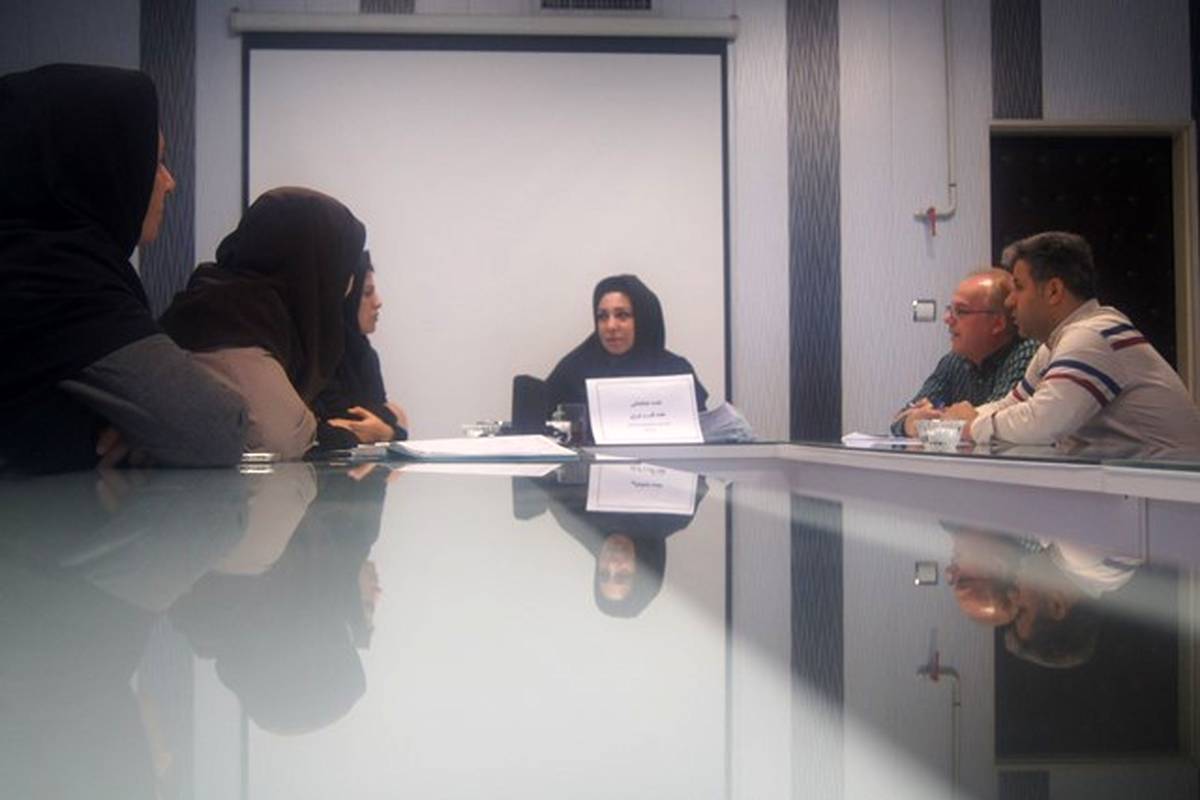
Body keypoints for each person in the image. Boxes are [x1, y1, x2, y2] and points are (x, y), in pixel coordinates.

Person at [0, 63, 247, 472]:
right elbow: (219, 427)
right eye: (155, 162)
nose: (169, 182)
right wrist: (117, 430)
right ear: (98, 167)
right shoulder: (56, 281)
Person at [940, 232, 1200, 449]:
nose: (1009, 302)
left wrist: (972, 425)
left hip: (1172, 491)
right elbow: (1013, 405)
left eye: (1018, 287)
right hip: (1136, 488)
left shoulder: (1092, 336)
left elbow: (1043, 423)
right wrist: (950, 421)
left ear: (1053, 291)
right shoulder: (1056, 343)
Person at [160, 187, 366, 460]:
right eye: (343, 267)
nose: (349, 283)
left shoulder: (228, 310)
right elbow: (277, 438)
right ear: (315, 269)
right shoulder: (237, 329)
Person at [893, 269, 1037, 437]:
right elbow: (901, 418)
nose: (948, 319)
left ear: (998, 323)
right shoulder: (953, 361)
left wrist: (938, 419)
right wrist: (910, 422)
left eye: (961, 311)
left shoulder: (1026, 353)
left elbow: (994, 422)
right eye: (950, 310)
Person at [545, 274, 708, 416]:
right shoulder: (573, 372)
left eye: (622, 315)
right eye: (602, 316)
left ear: (643, 320)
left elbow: (702, 431)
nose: (610, 326)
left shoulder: (675, 371)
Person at [313, 250, 409, 450]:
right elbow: (334, 427)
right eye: (367, 293)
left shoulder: (366, 355)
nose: (378, 302)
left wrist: (388, 431)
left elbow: (366, 424)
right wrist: (391, 421)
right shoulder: (319, 354)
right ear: (346, 298)